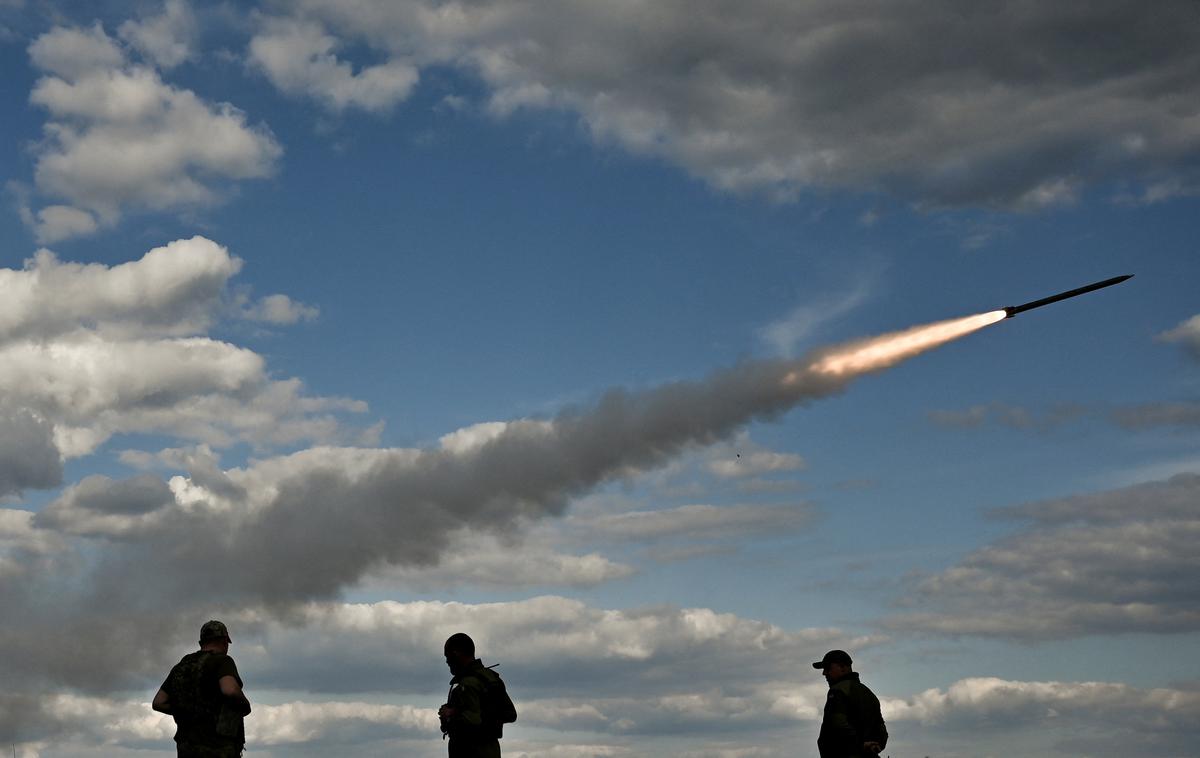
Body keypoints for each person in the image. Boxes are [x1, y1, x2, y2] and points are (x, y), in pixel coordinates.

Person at [152, 620, 252, 758]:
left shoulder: (181, 666)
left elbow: (158, 702)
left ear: (201, 642)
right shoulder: (222, 661)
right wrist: (245, 704)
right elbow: (229, 690)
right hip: (217, 747)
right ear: (224, 641)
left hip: (186, 747)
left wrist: (186, 710)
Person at [438, 632, 517, 758]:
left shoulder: (467, 684)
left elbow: (471, 723)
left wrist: (451, 714)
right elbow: (510, 714)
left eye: (448, 655)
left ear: (456, 653)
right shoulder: (490, 679)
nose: (447, 661)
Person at [812, 649, 888, 758]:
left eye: (828, 668)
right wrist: (873, 746)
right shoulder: (869, 693)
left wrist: (859, 745)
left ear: (843, 668)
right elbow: (881, 730)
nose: (824, 673)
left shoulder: (838, 691)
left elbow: (839, 725)